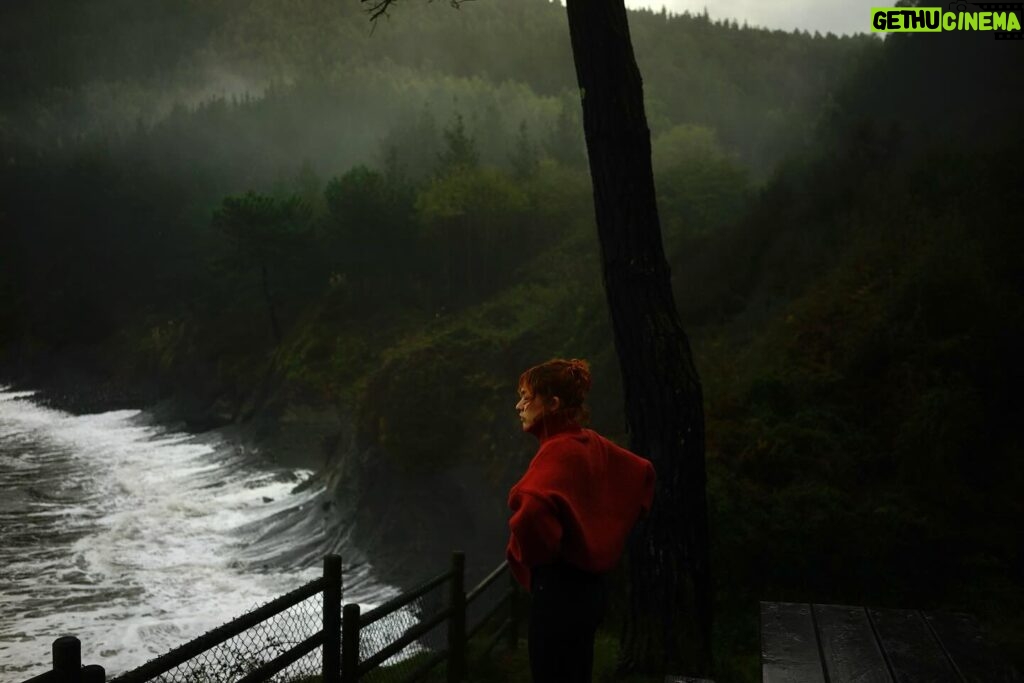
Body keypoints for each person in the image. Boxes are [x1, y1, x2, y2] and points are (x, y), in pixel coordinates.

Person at [506, 358, 655, 683]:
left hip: (558, 592)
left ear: (553, 404)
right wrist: (607, 529)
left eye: (527, 397)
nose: (519, 406)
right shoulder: (590, 443)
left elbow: (530, 513)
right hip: (590, 591)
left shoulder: (558, 451)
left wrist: (544, 555)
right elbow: (642, 474)